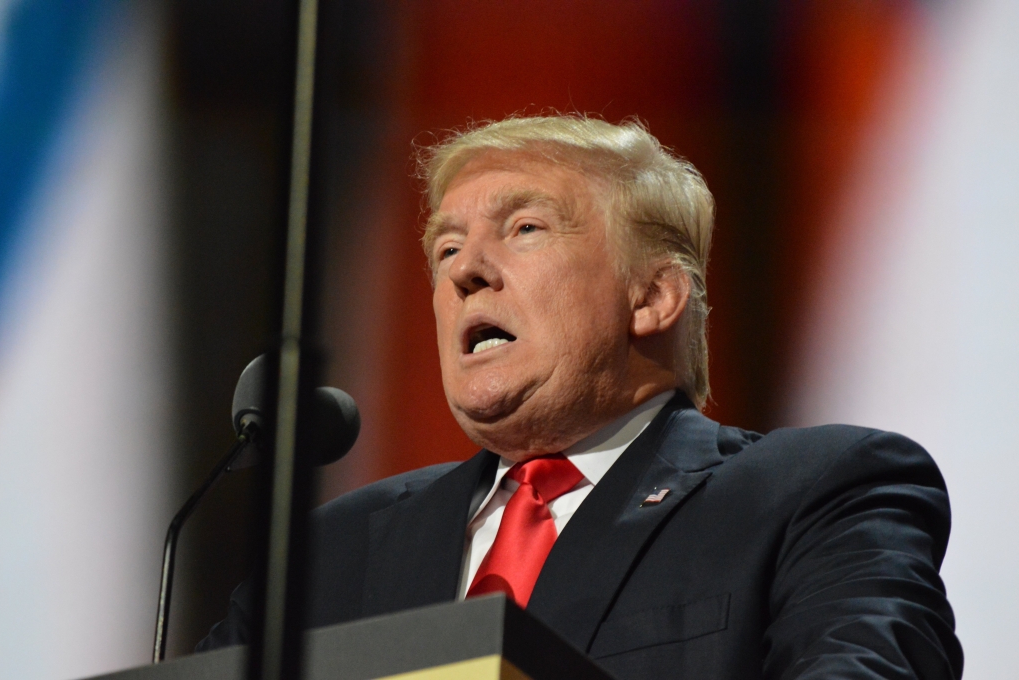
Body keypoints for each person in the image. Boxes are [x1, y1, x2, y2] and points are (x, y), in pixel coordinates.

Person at [199, 115, 963, 679]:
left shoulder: (813, 492)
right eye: (446, 248)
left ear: (654, 297)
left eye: (524, 227)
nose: (466, 272)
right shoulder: (335, 551)